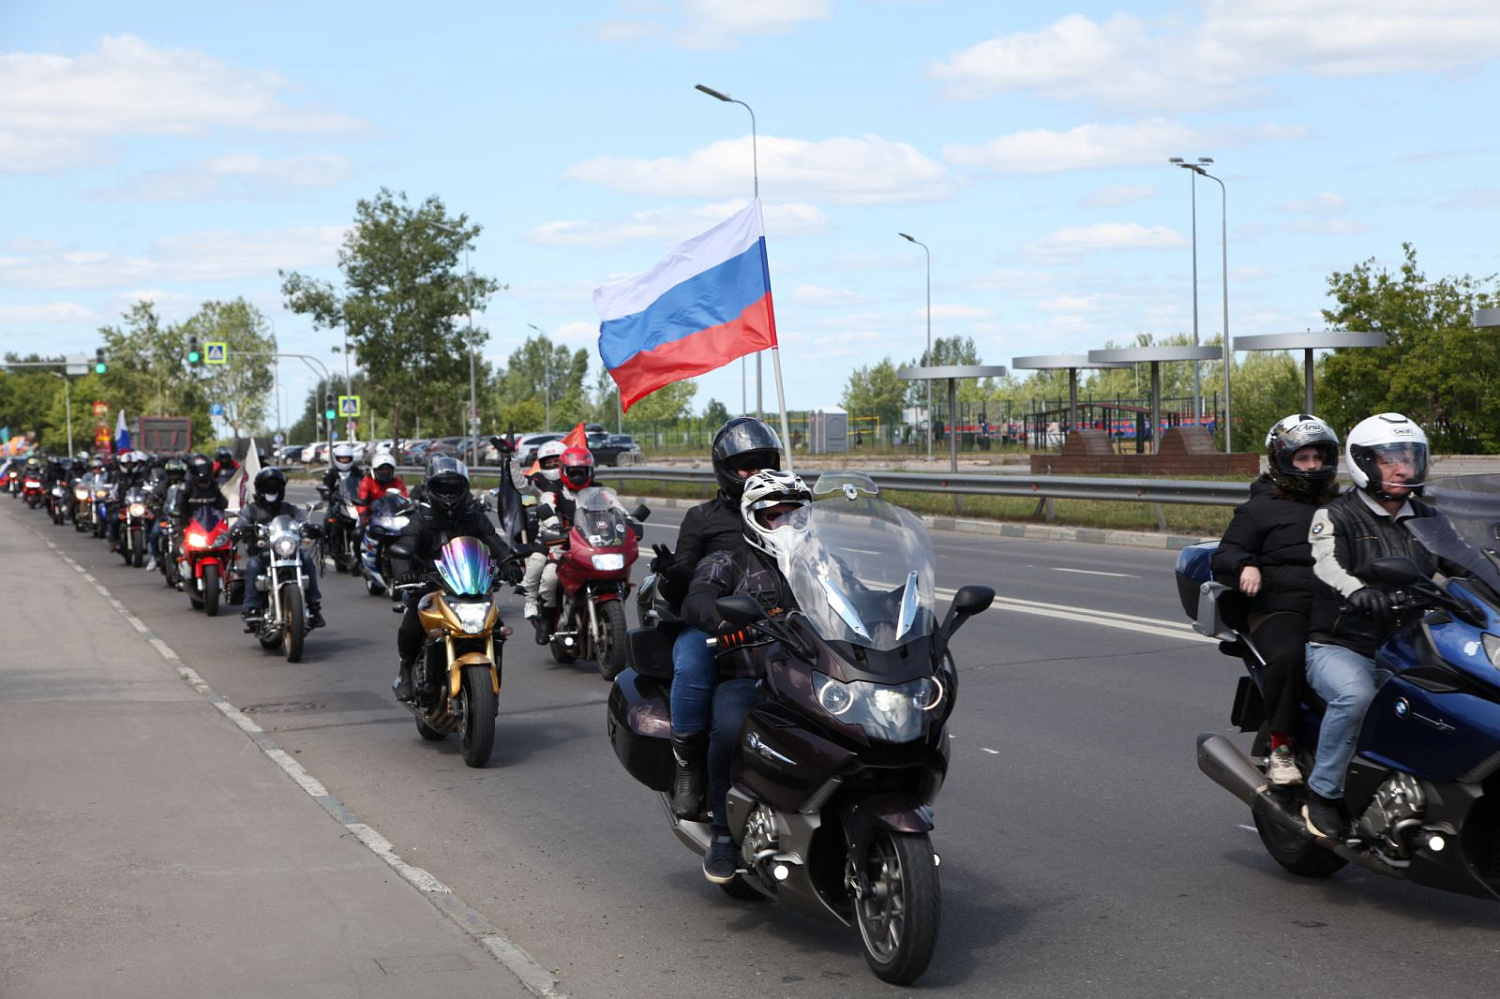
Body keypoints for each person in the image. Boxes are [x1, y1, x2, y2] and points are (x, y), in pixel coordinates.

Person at [1302, 412, 1455, 837]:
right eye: (1390, 459)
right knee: (1356, 695)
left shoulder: (1426, 515)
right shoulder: (1336, 515)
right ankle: (1324, 793)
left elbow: (1464, 561)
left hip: (1409, 639)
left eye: (1409, 457)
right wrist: (1357, 591)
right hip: (1342, 643)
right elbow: (1326, 565)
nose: (1403, 467)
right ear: (1365, 463)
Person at [649, 417, 784, 819]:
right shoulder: (703, 517)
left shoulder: (788, 505)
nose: (756, 474)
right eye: (746, 466)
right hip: (716, 621)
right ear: (724, 468)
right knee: (692, 666)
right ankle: (689, 765)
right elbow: (690, 589)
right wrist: (673, 576)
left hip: (781, 617)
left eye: (764, 464)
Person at [682, 469, 808, 883]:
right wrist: (717, 617)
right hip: (750, 674)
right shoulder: (730, 560)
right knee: (730, 724)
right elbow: (699, 596)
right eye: (776, 516)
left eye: (795, 516)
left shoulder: (820, 562)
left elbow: (856, 595)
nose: (786, 525)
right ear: (755, 518)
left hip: (814, 675)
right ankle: (722, 832)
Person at [1211, 414, 1341, 786]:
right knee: (1288, 657)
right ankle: (1281, 748)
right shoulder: (1259, 508)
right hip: (1281, 608)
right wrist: (1245, 565)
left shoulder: (1343, 505)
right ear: (1283, 460)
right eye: (1303, 458)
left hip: (1336, 608)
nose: (1313, 466)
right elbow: (1225, 555)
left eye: (1318, 458)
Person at [390, 456, 514, 702]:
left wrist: (509, 563)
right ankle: (406, 670)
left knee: (497, 628)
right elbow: (405, 545)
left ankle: (490, 681)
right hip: (430, 585)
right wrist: (405, 570)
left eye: (453, 487)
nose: (447, 494)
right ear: (431, 488)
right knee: (412, 623)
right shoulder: (422, 519)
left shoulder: (473, 516)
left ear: (463, 488)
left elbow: (493, 540)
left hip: (471, 584)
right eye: (441, 488)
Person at [234, 467, 325, 629]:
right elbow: (239, 523)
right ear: (260, 488)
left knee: (306, 558)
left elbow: (303, 520)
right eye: (268, 485)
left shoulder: (289, 509)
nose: (272, 489)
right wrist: (240, 529)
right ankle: (252, 607)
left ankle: (313, 605)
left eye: (276, 485)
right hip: (262, 552)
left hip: (288, 552)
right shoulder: (251, 509)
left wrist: (311, 528)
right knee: (253, 565)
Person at [519, 440, 576, 628]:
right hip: (552, 535)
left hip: (582, 536)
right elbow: (545, 505)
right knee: (539, 568)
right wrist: (510, 459)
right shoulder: (544, 486)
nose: (552, 465)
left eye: (557, 461)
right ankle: (533, 604)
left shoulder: (585, 484)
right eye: (548, 462)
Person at [145, 457, 188, 572]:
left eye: (177, 473)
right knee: (154, 533)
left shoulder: (188, 485)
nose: (175, 476)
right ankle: (154, 557)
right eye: (172, 473)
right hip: (166, 516)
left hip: (184, 518)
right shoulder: (163, 485)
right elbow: (153, 496)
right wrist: (151, 503)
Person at [355, 452, 409, 520]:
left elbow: (404, 498)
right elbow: (361, 500)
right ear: (374, 470)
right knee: (359, 528)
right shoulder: (367, 481)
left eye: (387, 469)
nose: (384, 472)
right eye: (381, 469)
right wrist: (363, 514)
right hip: (371, 517)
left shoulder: (397, 482)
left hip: (393, 517)